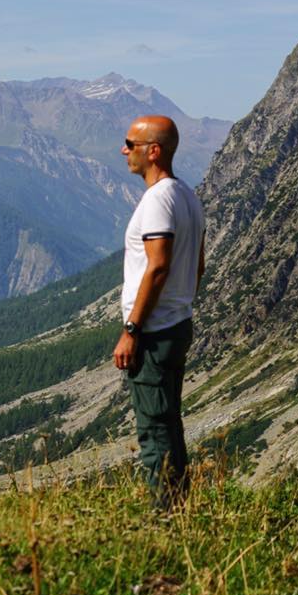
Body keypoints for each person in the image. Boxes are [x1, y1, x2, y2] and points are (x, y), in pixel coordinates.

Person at [113, 116, 206, 507]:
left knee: (153, 428)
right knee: (170, 420)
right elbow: (197, 265)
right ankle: (179, 507)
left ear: (153, 151)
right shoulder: (188, 197)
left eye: (130, 144)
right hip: (177, 324)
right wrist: (179, 304)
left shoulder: (157, 201)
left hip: (153, 333)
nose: (124, 150)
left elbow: (158, 265)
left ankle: (165, 517)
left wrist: (132, 328)